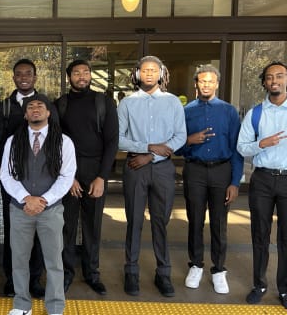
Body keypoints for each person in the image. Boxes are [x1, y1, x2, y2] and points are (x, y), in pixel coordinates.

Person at [237, 61, 287, 313]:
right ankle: (259, 285)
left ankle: (285, 289)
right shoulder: (256, 113)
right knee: (259, 235)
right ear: (264, 82)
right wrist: (262, 143)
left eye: (280, 76)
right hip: (261, 180)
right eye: (269, 77)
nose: (274, 80)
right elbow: (242, 147)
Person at [1, 93, 76, 315]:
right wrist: (26, 198)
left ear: (48, 113)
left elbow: (66, 177)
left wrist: (43, 201)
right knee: (19, 260)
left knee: (54, 260)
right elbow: (6, 175)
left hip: (50, 211)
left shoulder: (63, 141)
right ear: (25, 115)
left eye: (40, 106)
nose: (35, 109)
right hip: (20, 209)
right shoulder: (13, 141)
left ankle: (55, 307)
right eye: (30, 106)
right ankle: (22, 304)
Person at [118, 55, 186, 297]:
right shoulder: (127, 103)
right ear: (137, 74)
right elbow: (118, 137)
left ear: (161, 74)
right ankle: (131, 272)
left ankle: (163, 273)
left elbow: (180, 137)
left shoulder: (173, 103)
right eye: (144, 70)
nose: (149, 74)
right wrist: (148, 146)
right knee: (134, 221)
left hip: (162, 169)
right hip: (135, 166)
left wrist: (151, 156)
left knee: (161, 221)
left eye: (153, 70)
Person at [175, 64, 243, 294]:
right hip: (194, 170)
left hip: (221, 172)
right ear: (196, 84)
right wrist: (188, 141)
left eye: (210, 81)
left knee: (219, 223)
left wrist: (235, 182)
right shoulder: (186, 112)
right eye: (202, 81)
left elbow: (237, 148)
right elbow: (176, 147)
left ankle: (219, 270)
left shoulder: (229, 111)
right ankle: (195, 265)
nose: (206, 85)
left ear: (217, 84)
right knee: (194, 220)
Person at [54, 59, 118, 295]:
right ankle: (66, 274)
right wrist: (67, 177)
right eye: (77, 73)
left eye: (86, 72)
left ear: (90, 76)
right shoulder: (60, 104)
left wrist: (102, 177)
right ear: (69, 76)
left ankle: (92, 273)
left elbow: (112, 142)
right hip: (68, 173)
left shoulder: (104, 102)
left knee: (93, 226)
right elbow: (55, 143)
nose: (82, 76)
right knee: (67, 227)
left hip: (95, 172)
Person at [0, 59, 57, 298]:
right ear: (13, 78)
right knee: (14, 233)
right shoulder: (3, 106)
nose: (23, 77)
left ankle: (35, 279)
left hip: (44, 185)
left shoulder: (46, 104)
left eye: (28, 73)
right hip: (13, 183)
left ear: (35, 77)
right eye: (19, 74)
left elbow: (57, 138)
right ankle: (12, 280)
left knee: (41, 234)